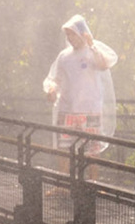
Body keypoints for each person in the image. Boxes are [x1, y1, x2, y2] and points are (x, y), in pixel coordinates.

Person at [42, 14, 118, 161]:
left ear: (82, 33)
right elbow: (56, 78)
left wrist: (92, 46)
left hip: (89, 109)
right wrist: (52, 90)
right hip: (67, 108)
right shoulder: (64, 56)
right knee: (63, 147)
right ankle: (62, 182)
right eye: (68, 35)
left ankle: (91, 181)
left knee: (91, 150)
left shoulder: (92, 52)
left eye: (73, 34)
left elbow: (103, 65)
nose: (70, 38)